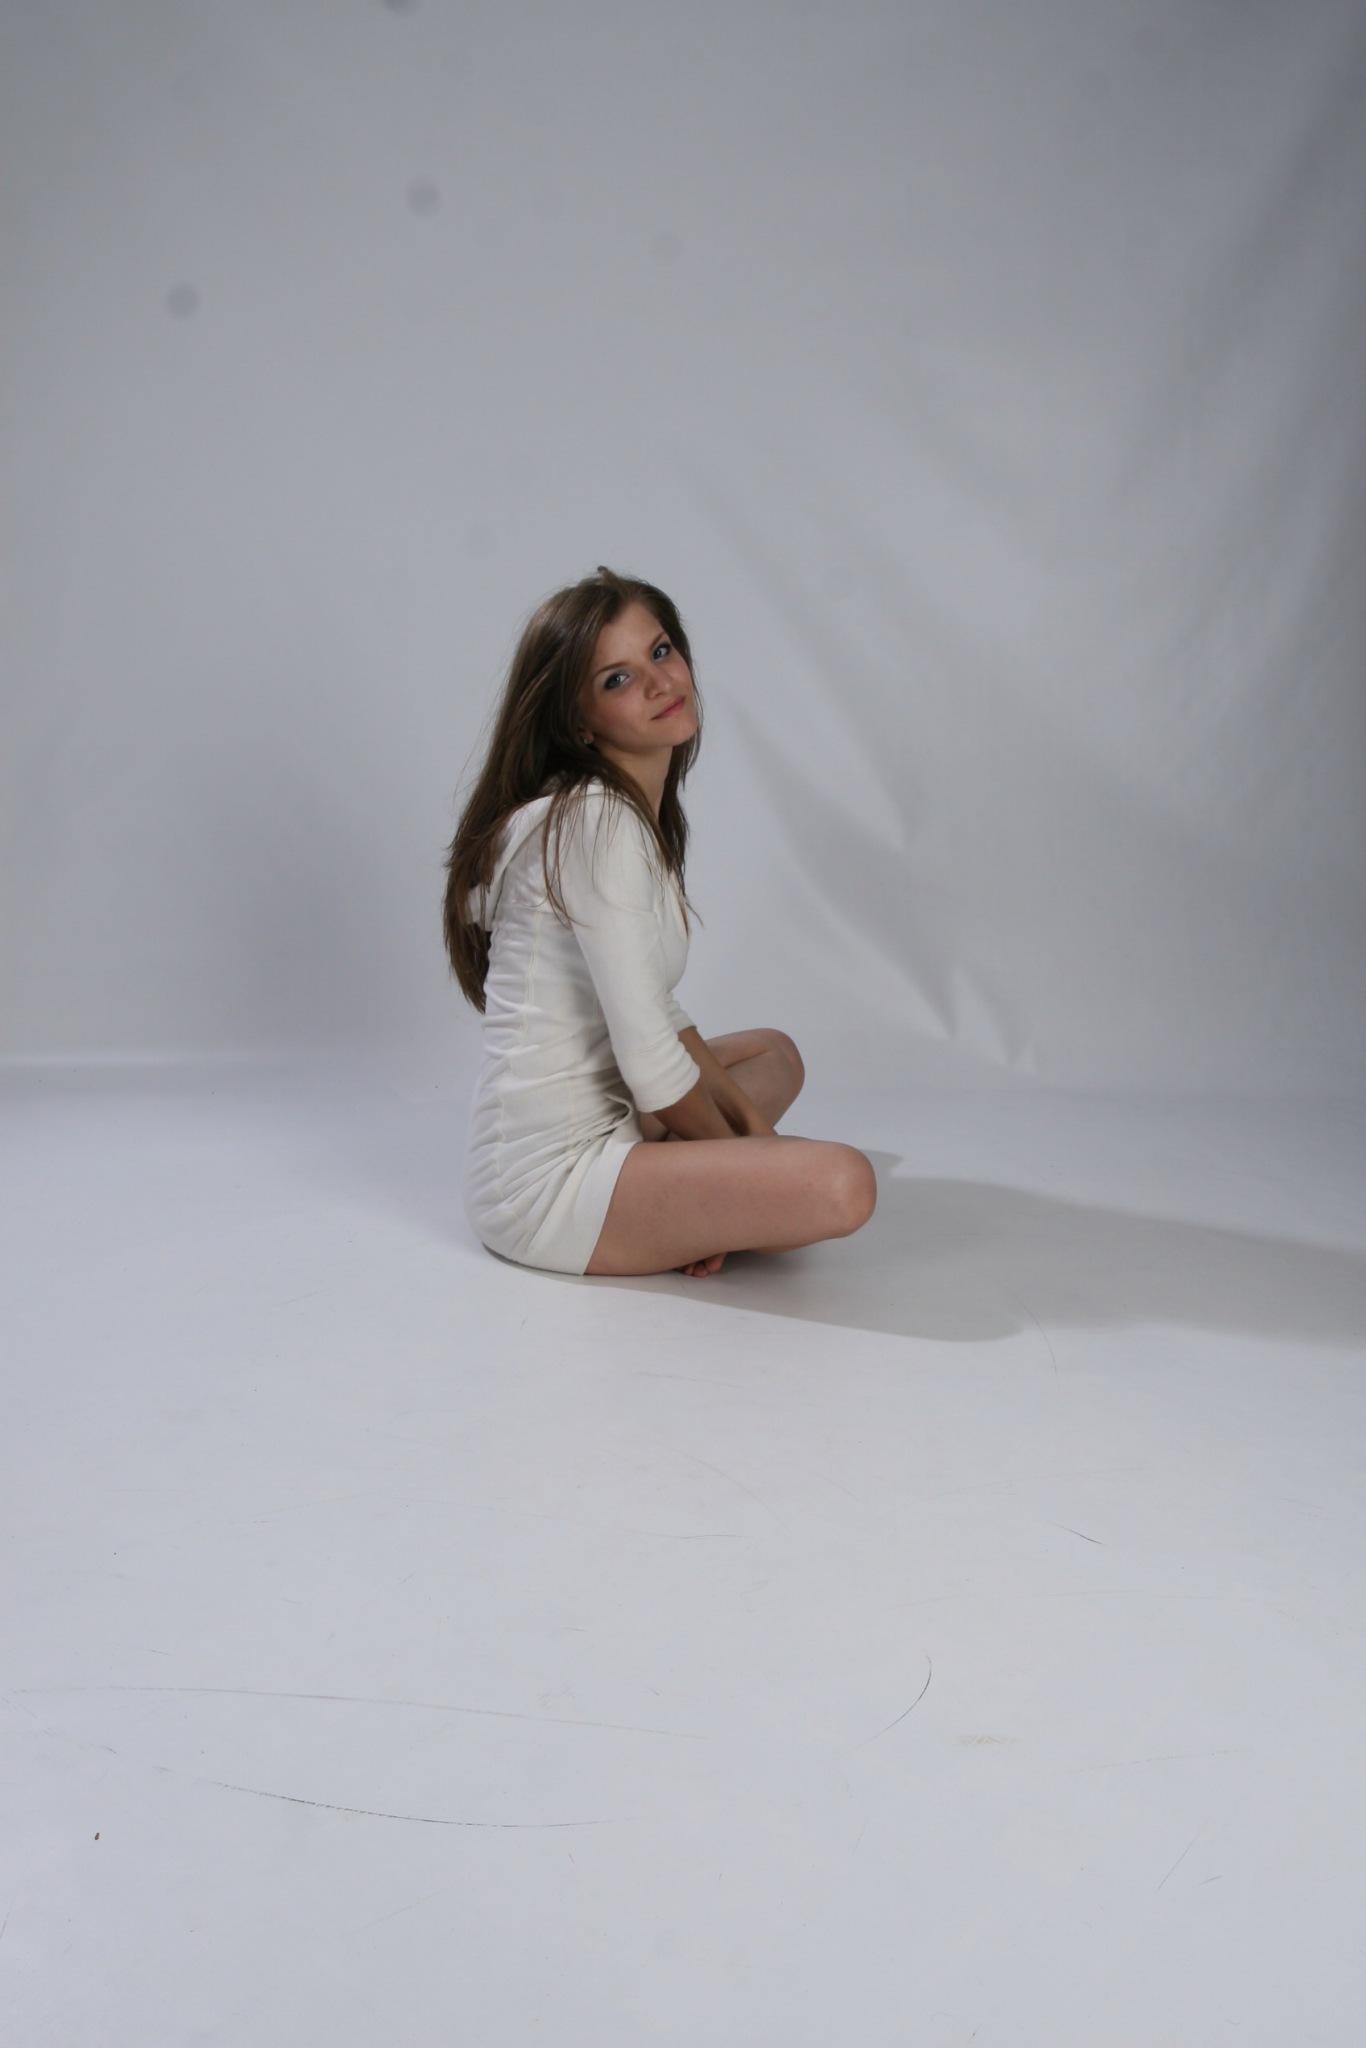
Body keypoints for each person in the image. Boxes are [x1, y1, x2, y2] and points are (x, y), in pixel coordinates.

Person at [442, 566, 877, 1279]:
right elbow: (649, 1060)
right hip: (545, 1186)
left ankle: (679, 1198)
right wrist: (749, 1171)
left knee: (774, 1056)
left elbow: (661, 1012)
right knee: (840, 1185)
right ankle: (674, 1202)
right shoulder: (595, 823)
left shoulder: (627, 816)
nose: (658, 682)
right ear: (578, 722)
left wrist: (751, 1156)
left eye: (661, 651)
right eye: (616, 679)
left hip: (620, 1121)